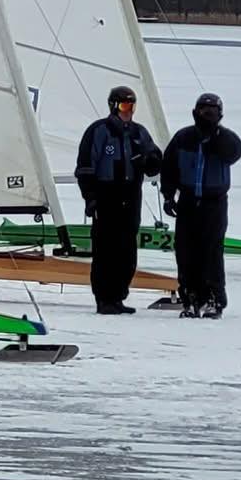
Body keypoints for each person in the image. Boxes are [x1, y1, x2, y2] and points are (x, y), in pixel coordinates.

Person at [75, 85, 163, 315]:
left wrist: (150, 159)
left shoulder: (138, 133)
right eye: (124, 106)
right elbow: (85, 166)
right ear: (114, 106)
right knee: (106, 250)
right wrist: (90, 197)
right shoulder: (99, 131)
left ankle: (119, 296)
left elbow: (154, 161)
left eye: (132, 106)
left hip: (131, 195)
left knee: (127, 250)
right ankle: (104, 298)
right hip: (106, 195)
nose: (129, 111)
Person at [160, 93, 241, 317]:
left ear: (220, 115)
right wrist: (168, 195)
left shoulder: (226, 139)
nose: (207, 115)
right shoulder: (183, 137)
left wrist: (215, 138)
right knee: (185, 252)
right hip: (188, 201)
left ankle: (214, 299)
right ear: (195, 112)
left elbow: (234, 153)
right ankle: (190, 298)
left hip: (214, 203)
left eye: (212, 112)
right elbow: (168, 166)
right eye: (203, 111)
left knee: (211, 253)